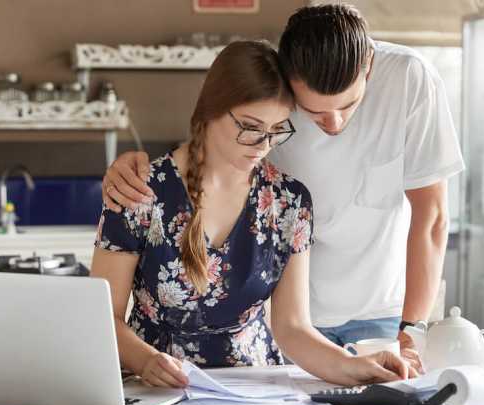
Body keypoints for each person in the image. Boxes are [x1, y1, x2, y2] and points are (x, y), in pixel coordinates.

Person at [101, 4, 464, 367]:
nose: (334, 124)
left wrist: (411, 329)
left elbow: (432, 216)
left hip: (376, 310)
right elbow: (216, 148)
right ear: (290, 86)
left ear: (368, 67)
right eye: (314, 112)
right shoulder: (273, 103)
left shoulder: (409, 79)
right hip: (290, 323)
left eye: (349, 105)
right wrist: (132, 169)